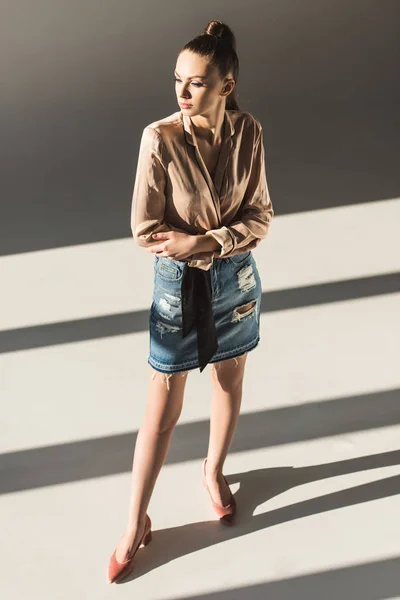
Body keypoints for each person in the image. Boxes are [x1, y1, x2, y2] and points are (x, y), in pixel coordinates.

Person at [108, 19, 274, 583]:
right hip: (177, 286)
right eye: (178, 79)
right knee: (162, 406)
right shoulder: (160, 138)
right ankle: (135, 520)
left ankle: (213, 470)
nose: (182, 91)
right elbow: (145, 230)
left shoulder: (249, 132)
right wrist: (214, 241)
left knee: (229, 380)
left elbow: (262, 217)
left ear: (225, 85)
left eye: (196, 82)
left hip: (237, 281)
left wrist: (203, 240)